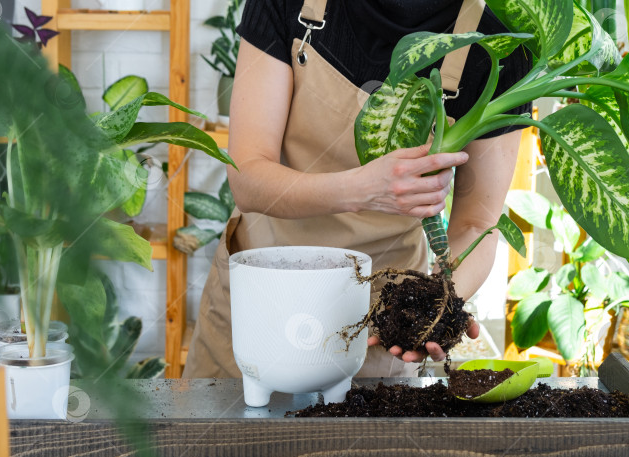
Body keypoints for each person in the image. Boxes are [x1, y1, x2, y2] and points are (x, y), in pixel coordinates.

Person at [185, 0, 531, 379]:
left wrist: (439, 303)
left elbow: (476, 222)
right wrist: (363, 189)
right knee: (228, 434)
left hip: (375, 324)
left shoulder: (499, 42)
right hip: (260, 299)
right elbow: (247, 178)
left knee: (357, 437)